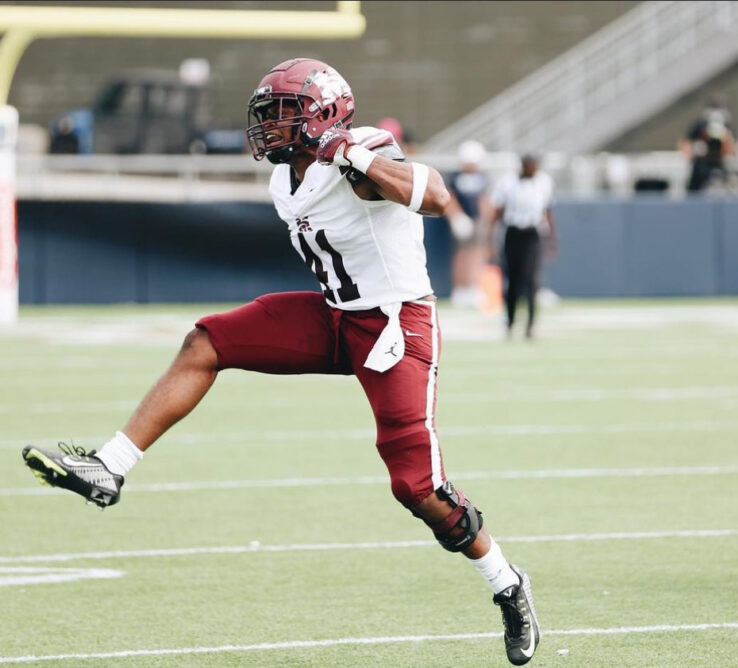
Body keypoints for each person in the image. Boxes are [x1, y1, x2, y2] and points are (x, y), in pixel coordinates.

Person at [21, 58, 540, 666]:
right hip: (335, 315)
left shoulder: (363, 153)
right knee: (206, 343)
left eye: (284, 113)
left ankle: (507, 583)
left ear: (324, 113)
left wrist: (356, 156)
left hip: (395, 325)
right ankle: (110, 466)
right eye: (267, 115)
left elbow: (435, 194)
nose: (270, 126)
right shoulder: (283, 180)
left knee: (416, 488)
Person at [487, 155, 557, 339]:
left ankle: (531, 325)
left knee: (532, 280)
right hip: (513, 233)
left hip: (532, 234)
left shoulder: (544, 182)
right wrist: (491, 239)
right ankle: (510, 322)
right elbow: (497, 212)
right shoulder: (507, 183)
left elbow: (547, 211)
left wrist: (552, 239)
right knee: (512, 281)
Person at [445, 140, 491, 309]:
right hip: (462, 221)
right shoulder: (455, 177)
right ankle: (460, 289)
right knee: (461, 255)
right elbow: (449, 198)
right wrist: (456, 217)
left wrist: (486, 220)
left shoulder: (482, 177)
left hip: (477, 221)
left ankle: (474, 287)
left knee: (478, 254)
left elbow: (485, 200)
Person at [678, 96, 737, 193]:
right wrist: (694, 150)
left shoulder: (725, 126)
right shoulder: (700, 126)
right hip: (701, 164)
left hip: (720, 162)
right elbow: (685, 142)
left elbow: (730, 146)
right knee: (695, 189)